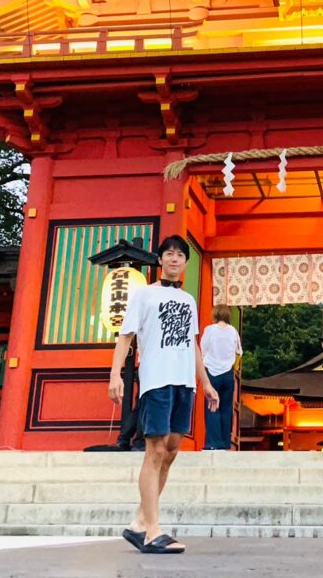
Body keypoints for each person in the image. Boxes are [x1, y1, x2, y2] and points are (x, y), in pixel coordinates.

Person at [108, 235, 218, 555]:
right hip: (157, 380)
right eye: (168, 254)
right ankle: (153, 531)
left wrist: (207, 383)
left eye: (179, 255)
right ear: (160, 260)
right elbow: (126, 336)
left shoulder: (189, 301)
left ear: (185, 262)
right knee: (154, 451)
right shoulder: (144, 295)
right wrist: (115, 375)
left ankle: (140, 522)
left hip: (185, 382)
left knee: (170, 451)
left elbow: (193, 345)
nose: (173, 259)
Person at [200, 305, 243, 450]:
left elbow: (202, 350)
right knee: (226, 408)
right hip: (228, 374)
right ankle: (225, 441)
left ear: (215, 314)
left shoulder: (210, 330)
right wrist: (234, 368)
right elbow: (239, 352)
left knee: (212, 406)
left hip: (212, 372)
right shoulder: (233, 332)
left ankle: (213, 442)